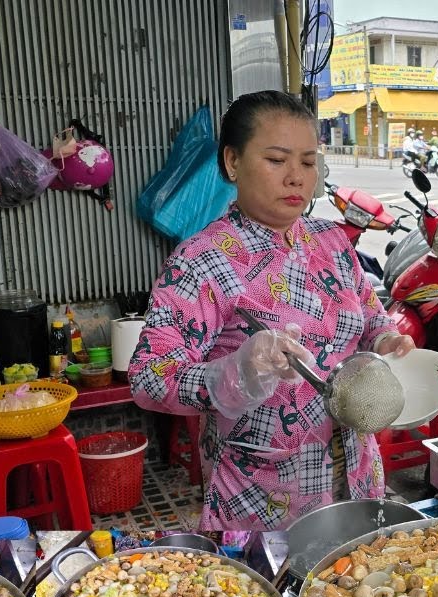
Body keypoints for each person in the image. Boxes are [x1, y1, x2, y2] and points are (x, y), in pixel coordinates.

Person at [130, 90, 415, 535]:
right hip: (262, 494)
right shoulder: (202, 261)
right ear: (232, 162)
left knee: (355, 591)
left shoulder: (333, 242)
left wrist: (386, 339)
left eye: (307, 162)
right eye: (277, 160)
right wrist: (237, 373)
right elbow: (149, 377)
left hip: (357, 474)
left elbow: (371, 314)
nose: (296, 178)